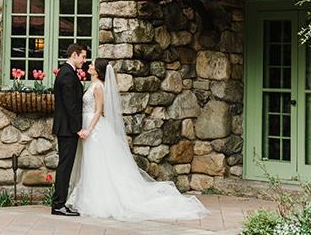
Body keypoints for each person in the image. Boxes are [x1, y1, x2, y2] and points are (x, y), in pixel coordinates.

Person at [66, 59, 208, 221]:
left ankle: (99, 200)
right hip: (89, 125)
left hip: (94, 129)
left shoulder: (98, 87)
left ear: (97, 71)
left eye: (92, 65)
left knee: (97, 163)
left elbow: (99, 111)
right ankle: (89, 196)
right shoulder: (93, 84)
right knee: (92, 163)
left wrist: (88, 130)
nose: (89, 66)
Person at [50, 43, 87, 216]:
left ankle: (60, 203)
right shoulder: (66, 75)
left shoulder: (67, 72)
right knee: (65, 166)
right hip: (67, 129)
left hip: (66, 128)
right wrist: (77, 128)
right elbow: (70, 105)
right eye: (83, 57)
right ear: (74, 55)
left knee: (66, 166)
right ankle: (58, 205)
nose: (84, 61)